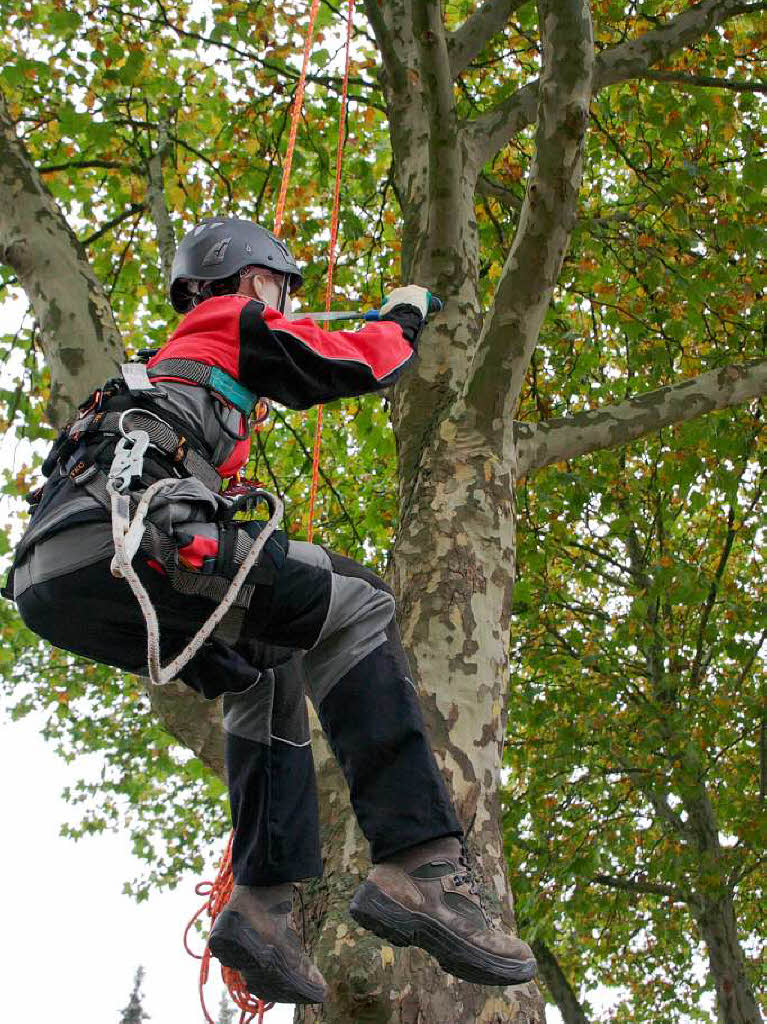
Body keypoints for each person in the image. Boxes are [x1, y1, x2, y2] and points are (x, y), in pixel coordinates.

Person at [5, 218, 537, 1003]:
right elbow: (358, 363)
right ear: (251, 280)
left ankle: (260, 908)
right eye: (281, 288)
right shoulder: (227, 322)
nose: (287, 305)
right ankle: (422, 864)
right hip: (136, 547)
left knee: (268, 662)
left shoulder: (156, 373)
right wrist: (402, 315)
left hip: (60, 581)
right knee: (359, 605)